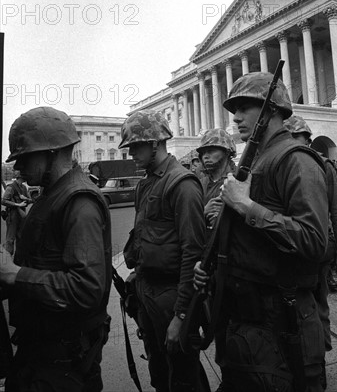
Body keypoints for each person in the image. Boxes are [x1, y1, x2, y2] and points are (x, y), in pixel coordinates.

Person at [194, 72, 329, 392]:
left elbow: (314, 241)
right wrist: (211, 268)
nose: (236, 117)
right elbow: (246, 242)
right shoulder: (256, 160)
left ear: (270, 111)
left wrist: (247, 207)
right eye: (234, 110)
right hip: (248, 324)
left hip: (283, 323)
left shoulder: (296, 160)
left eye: (244, 108)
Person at [0, 107, 112, 392]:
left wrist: (15, 274)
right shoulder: (52, 193)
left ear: (51, 152)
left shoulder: (79, 201)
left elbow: (86, 288)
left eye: (25, 157)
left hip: (63, 362)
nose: (18, 167)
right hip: (42, 352)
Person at [120, 110, 206, 392]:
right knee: (159, 372)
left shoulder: (182, 184)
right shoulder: (145, 184)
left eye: (135, 146)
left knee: (184, 376)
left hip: (172, 296)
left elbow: (192, 254)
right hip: (148, 292)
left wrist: (181, 317)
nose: (131, 153)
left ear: (154, 143)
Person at [284, 114, 337, 385]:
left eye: (300, 139)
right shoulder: (285, 164)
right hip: (293, 248)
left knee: (318, 305)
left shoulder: (322, 165)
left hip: (320, 248)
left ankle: (317, 358)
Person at [196, 129, 236, 392]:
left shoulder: (238, 179)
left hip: (234, 267)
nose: (205, 156)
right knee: (217, 327)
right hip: (207, 268)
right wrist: (204, 212)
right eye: (202, 152)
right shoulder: (199, 182)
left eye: (212, 151)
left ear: (227, 152)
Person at [1, 173, 31, 256]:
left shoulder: (24, 187)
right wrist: (17, 205)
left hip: (22, 214)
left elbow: (29, 200)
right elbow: (3, 201)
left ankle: (19, 259)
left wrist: (26, 199)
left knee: (21, 237)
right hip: (12, 214)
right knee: (10, 239)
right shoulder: (10, 187)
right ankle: (8, 260)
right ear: (20, 177)